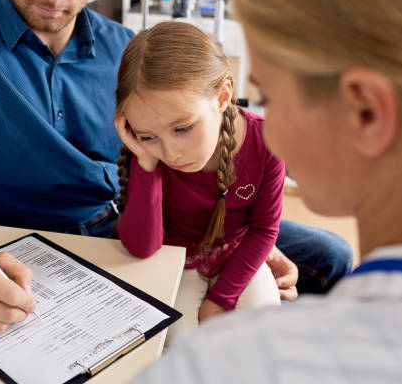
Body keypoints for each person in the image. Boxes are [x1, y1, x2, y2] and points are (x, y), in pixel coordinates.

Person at [0, 0, 348, 340]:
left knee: (332, 258)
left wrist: (236, 235)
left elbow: (181, 162)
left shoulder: (124, 48)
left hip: (177, 219)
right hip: (64, 247)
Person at [130, 0, 402, 382]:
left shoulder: (206, 368)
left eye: (272, 97)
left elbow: (264, 227)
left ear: (367, 112)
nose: (269, 129)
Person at [114, 21, 282, 341]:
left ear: (222, 97)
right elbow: (142, 247)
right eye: (148, 136)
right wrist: (146, 165)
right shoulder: (150, 154)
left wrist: (221, 299)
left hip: (239, 254)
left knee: (262, 335)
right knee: (178, 343)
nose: (171, 153)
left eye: (183, 128)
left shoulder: (268, 142)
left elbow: (264, 229)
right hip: (175, 256)